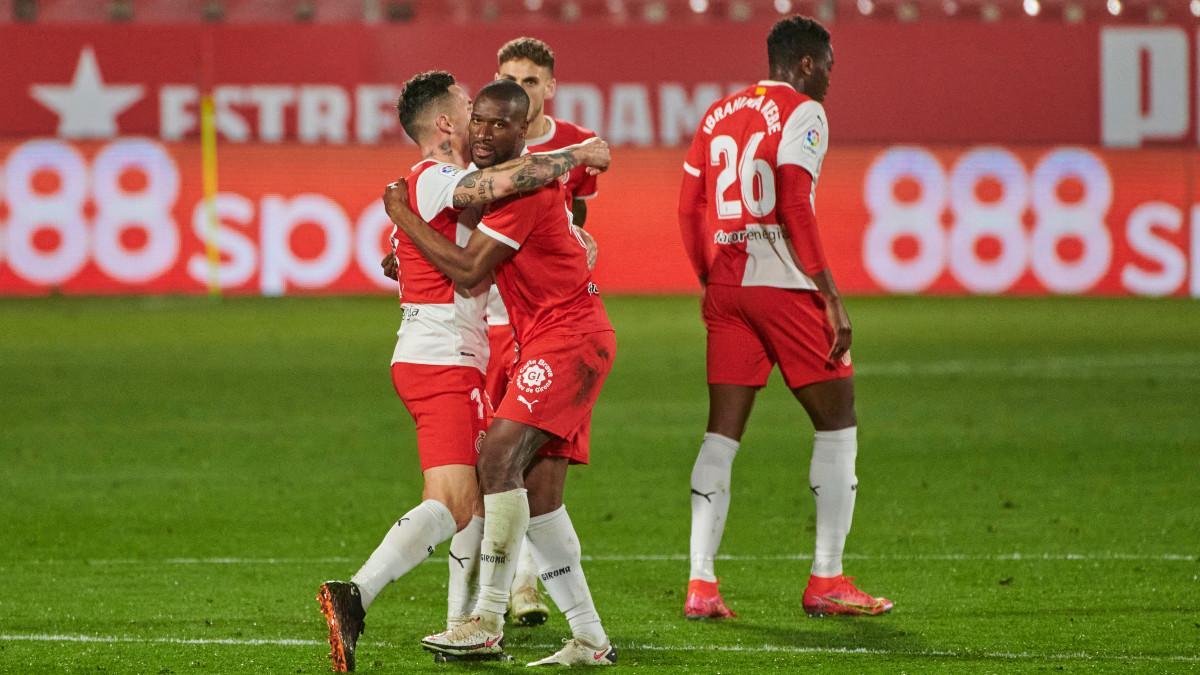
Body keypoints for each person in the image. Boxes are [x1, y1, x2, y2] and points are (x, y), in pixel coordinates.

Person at [316, 70, 610, 673]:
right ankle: (561, 632)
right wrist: (574, 157)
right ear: (451, 123)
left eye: (495, 122)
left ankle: (517, 625)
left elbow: (471, 251)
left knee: (509, 482)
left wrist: (404, 226)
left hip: (545, 343)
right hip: (475, 352)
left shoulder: (480, 189)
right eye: (473, 115)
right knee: (500, 491)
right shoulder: (456, 182)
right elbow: (471, 246)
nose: (481, 128)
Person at [678, 16, 893, 620]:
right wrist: (829, 294)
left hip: (727, 288)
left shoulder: (717, 113)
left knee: (721, 434)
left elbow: (688, 205)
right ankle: (827, 578)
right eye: (827, 64)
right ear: (804, 64)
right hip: (785, 286)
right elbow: (794, 199)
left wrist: (708, 277)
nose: (830, 76)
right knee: (838, 423)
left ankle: (702, 586)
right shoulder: (805, 112)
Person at [490, 34, 603, 628]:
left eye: (531, 81)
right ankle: (509, 599)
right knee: (498, 460)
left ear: (549, 87)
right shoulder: (488, 145)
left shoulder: (568, 146)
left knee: (518, 461)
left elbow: (569, 216)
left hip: (552, 322)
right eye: (510, 79)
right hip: (495, 320)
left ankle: (510, 593)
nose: (521, 91)